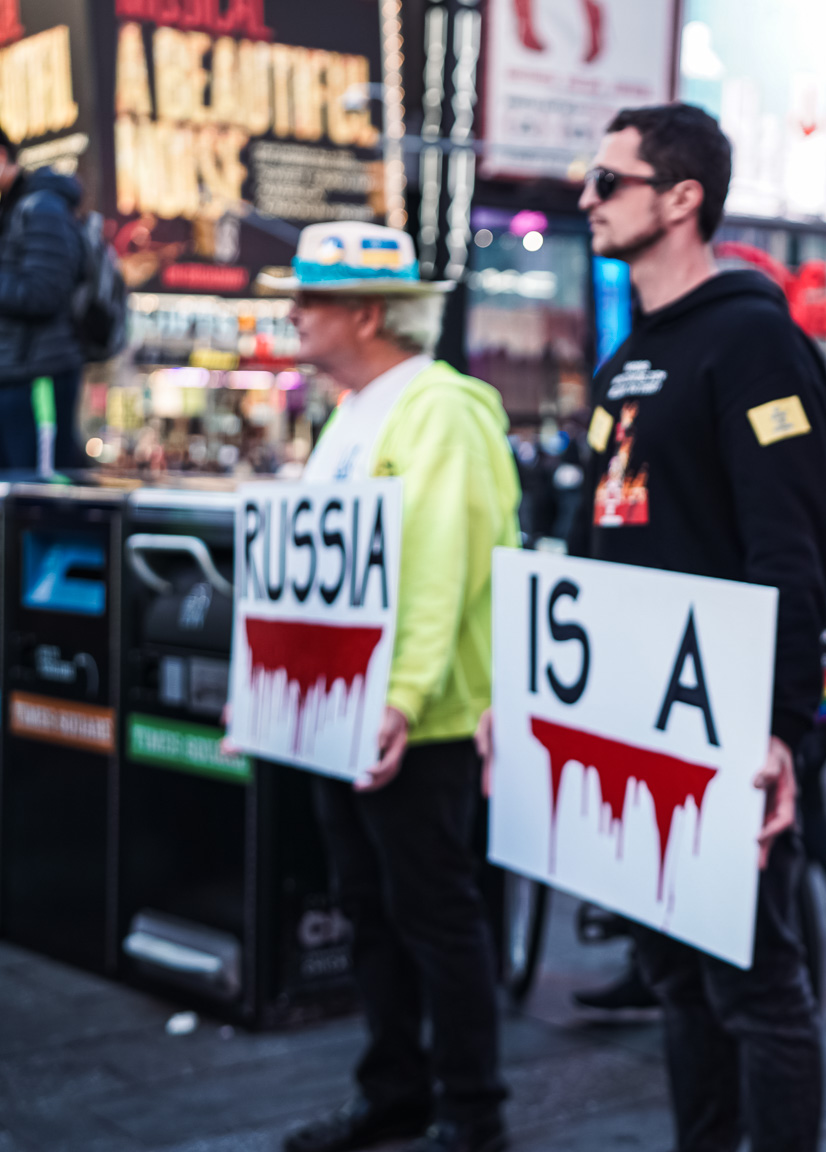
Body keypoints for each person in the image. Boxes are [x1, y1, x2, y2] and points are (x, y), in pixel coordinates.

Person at [569, 102, 826, 1152]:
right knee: (676, 973)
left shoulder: (756, 340)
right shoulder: (631, 352)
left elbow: (789, 549)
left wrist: (779, 725)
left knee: (757, 986)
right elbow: (596, 538)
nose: (584, 199)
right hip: (632, 708)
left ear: (680, 199)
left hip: (721, 715)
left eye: (607, 182)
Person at [269, 222, 521, 1152]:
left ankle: (471, 1110)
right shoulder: (356, 413)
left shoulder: (439, 408)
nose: (293, 314)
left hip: (421, 721)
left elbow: (438, 569)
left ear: (368, 312)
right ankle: (399, 1093)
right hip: (355, 714)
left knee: (433, 916)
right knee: (374, 909)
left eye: (311, 299)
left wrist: (405, 699)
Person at [0, 126, 85, 474]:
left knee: (41, 496)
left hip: (39, 378)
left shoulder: (41, 207)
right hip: (14, 375)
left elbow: (44, 292)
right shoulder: (14, 209)